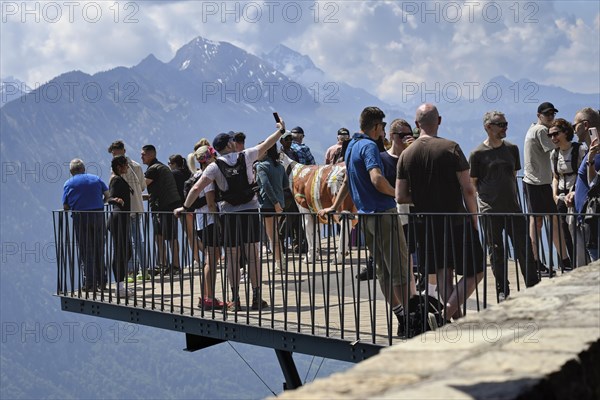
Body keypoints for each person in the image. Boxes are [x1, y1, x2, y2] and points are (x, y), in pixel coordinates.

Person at [320, 106, 414, 336]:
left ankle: (400, 315)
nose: (383, 131)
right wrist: (398, 195)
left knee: (383, 271)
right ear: (376, 127)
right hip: (384, 214)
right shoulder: (370, 146)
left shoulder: (351, 146)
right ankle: (411, 320)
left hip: (365, 218)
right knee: (400, 270)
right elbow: (377, 178)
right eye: (382, 126)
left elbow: (347, 182)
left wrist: (334, 205)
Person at [176, 120, 288, 311]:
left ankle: (235, 300)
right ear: (229, 144)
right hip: (251, 211)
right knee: (253, 256)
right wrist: (280, 131)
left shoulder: (214, 167)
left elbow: (196, 188)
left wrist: (185, 208)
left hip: (229, 215)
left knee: (232, 257)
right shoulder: (247, 156)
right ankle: (256, 297)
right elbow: (267, 144)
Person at [396, 103, 484, 322]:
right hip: (455, 221)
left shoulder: (406, 155)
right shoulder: (451, 148)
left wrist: (424, 199)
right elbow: (468, 189)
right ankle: (445, 316)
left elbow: (400, 196)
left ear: (417, 125)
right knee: (477, 271)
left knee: (444, 276)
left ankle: (457, 322)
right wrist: (474, 219)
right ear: (440, 121)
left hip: (426, 224)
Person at [469, 111, 540, 302]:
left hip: (513, 207)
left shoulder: (512, 149)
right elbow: (473, 182)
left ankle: (532, 285)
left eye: (506, 124)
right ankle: (502, 289)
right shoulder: (477, 154)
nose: (505, 127)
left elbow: (513, 173)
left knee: (523, 247)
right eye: (500, 124)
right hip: (490, 209)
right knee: (496, 250)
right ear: (488, 127)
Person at [523, 102, 571, 275]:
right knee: (544, 222)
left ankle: (540, 261)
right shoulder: (542, 131)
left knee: (538, 222)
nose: (551, 117)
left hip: (535, 181)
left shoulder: (533, 129)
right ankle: (559, 261)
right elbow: (557, 147)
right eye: (547, 114)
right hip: (538, 182)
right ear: (539, 115)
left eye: (552, 113)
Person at [62, 158, 109, 292]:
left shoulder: (68, 183)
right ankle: (102, 281)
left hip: (81, 218)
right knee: (99, 248)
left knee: (86, 250)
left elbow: (65, 206)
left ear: (71, 171)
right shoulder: (96, 178)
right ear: (83, 168)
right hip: (99, 216)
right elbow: (107, 194)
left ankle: (89, 283)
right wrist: (102, 203)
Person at [549, 119, 587, 268]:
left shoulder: (579, 150)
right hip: (560, 196)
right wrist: (554, 195)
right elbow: (555, 177)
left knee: (577, 229)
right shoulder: (554, 153)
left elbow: (582, 174)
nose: (553, 138)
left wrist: (574, 192)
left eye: (556, 134)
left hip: (575, 194)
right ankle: (571, 264)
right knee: (564, 231)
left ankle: (582, 263)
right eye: (550, 135)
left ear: (565, 132)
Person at [107, 140, 147, 281]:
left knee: (126, 241)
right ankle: (144, 269)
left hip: (126, 210)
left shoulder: (117, 170)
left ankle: (130, 272)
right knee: (137, 239)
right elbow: (142, 187)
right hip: (137, 206)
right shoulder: (136, 166)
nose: (114, 157)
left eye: (115, 154)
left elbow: (112, 191)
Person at [193, 145, 226, 310]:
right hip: (210, 221)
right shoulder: (208, 176)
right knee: (211, 260)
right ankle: (209, 298)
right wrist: (219, 222)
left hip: (200, 221)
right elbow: (211, 203)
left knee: (210, 258)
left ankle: (205, 297)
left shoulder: (196, 174)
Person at [141, 145, 182, 276]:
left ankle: (174, 266)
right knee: (161, 236)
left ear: (151, 155)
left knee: (169, 236)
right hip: (166, 205)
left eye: (144, 154)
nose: (141, 156)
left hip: (165, 206)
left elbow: (142, 186)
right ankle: (165, 264)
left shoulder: (153, 169)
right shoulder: (160, 166)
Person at [569, 108, 600, 261]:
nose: (573, 130)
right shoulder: (591, 151)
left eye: (575, 126)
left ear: (585, 125)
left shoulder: (597, 153)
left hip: (594, 220)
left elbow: (594, 182)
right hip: (587, 218)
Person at [255, 143, 288, 273]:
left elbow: (266, 185)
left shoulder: (260, 166)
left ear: (266, 152)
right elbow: (285, 184)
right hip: (280, 204)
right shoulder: (280, 166)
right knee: (275, 234)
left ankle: (279, 263)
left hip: (268, 205)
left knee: (271, 236)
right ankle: (281, 261)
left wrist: (274, 202)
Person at [107, 155, 135, 300]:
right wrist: (115, 199)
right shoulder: (116, 180)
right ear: (119, 166)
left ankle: (121, 285)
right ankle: (119, 288)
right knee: (120, 252)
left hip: (122, 219)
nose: (127, 167)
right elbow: (108, 198)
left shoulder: (118, 178)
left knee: (126, 252)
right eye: (125, 165)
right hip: (118, 219)